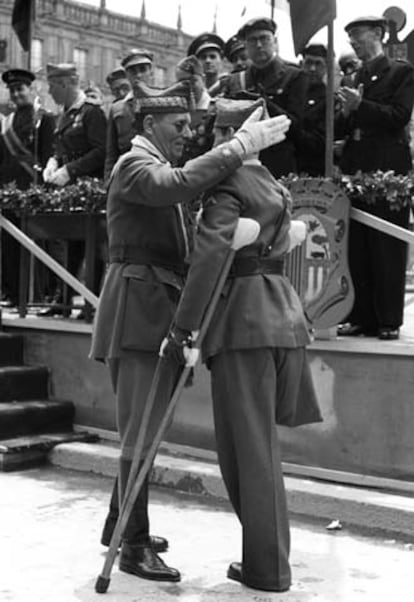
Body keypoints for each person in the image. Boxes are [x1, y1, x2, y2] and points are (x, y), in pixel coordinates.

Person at [89, 80, 291, 583]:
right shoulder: (136, 166)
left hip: (153, 304)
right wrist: (238, 148)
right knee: (140, 430)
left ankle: (121, 520)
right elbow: (173, 187)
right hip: (138, 309)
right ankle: (132, 545)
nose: (186, 134)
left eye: (189, 125)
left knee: (146, 423)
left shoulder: (158, 166)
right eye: (178, 126)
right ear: (149, 124)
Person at [161, 97, 322, 592]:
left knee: (246, 452)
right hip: (283, 316)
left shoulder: (226, 183)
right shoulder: (271, 183)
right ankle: (266, 561)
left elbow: (210, 259)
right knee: (262, 450)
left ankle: (267, 569)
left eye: (213, 131)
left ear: (226, 135)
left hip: (243, 325)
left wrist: (183, 329)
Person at [336, 16, 414, 340]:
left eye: (359, 35)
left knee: (387, 247)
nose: (354, 42)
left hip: (387, 171)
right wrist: (344, 113)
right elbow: (342, 128)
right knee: (359, 249)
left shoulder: (401, 72)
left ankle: (388, 319)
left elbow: (398, 117)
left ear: (378, 35)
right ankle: (362, 316)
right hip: (357, 170)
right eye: (351, 37)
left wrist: (360, 105)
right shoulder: (353, 77)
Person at [41, 62, 107, 316]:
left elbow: (101, 150)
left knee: (92, 248)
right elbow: (61, 146)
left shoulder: (92, 112)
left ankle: (90, 304)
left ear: (65, 84)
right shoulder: (66, 114)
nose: (50, 91)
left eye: (52, 86)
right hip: (69, 192)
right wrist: (54, 161)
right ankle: (64, 299)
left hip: (89, 191)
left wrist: (70, 170)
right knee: (69, 245)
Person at [224, 17, 308, 178]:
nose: (259, 45)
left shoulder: (295, 76)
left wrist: (264, 103)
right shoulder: (236, 81)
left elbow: (296, 126)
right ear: (246, 46)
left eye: (264, 38)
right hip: (243, 163)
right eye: (252, 40)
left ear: (275, 41)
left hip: (278, 165)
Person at [0, 68, 55, 307]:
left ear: (31, 89)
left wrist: (42, 191)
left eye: (20, 89)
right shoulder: (7, 123)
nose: (16, 94)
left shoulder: (44, 118)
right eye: (12, 90)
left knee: (34, 247)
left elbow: (46, 155)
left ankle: (34, 297)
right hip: (8, 192)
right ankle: (12, 294)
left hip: (32, 192)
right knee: (9, 247)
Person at [104, 48, 153, 181]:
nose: (138, 75)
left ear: (151, 72)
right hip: (125, 176)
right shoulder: (117, 109)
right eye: (133, 71)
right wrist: (109, 183)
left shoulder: (164, 103)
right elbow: (111, 153)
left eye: (143, 70)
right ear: (127, 75)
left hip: (155, 175)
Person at [295, 44, 329, 176]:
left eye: (318, 64)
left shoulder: (329, 99)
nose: (312, 69)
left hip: (313, 167)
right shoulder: (292, 91)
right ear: (301, 64)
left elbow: (319, 142)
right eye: (308, 63)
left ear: (326, 68)